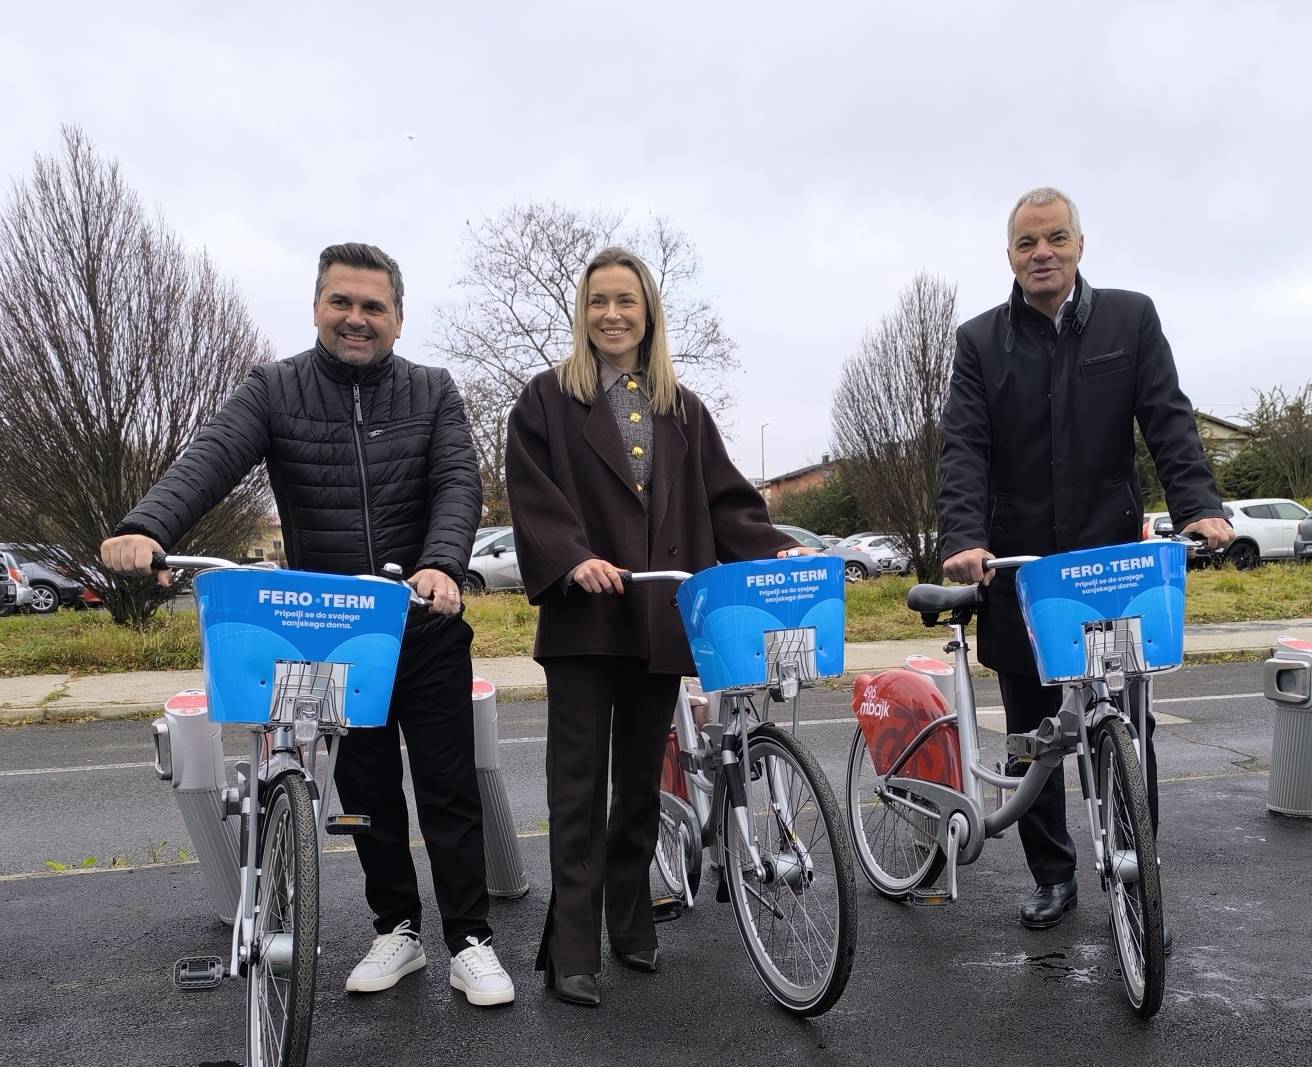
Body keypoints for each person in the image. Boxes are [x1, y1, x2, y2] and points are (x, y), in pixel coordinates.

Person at [100, 242, 515, 1005]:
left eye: (373, 307)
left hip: (421, 622)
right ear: (319, 306)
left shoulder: (432, 390)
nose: (356, 319)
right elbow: (211, 456)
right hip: (329, 633)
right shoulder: (275, 388)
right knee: (364, 792)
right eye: (342, 303)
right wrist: (148, 525)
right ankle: (398, 929)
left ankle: (470, 939)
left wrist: (443, 565)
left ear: (397, 317)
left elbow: (458, 480)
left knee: (448, 788)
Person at [505, 246, 804, 1006]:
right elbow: (533, 496)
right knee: (577, 790)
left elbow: (728, 504)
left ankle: (633, 928)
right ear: (583, 313)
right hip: (584, 622)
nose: (612, 314)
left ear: (648, 314)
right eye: (599, 301)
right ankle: (573, 950)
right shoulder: (545, 401)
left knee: (639, 786)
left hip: (658, 621)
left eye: (626, 302)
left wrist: (778, 550)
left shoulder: (681, 409)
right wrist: (571, 559)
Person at [937, 188, 1233, 932]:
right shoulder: (980, 342)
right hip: (1021, 569)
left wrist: (1200, 505)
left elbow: (1168, 418)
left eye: (1055, 238)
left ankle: (1139, 874)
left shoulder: (1129, 319)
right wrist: (965, 539)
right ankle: (1053, 875)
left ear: (1078, 244)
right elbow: (964, 448)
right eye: (1026, 242)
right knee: (1034, 733)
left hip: (1111, 569)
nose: (1042, 253)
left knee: (1128, 725)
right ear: (1009, 255)